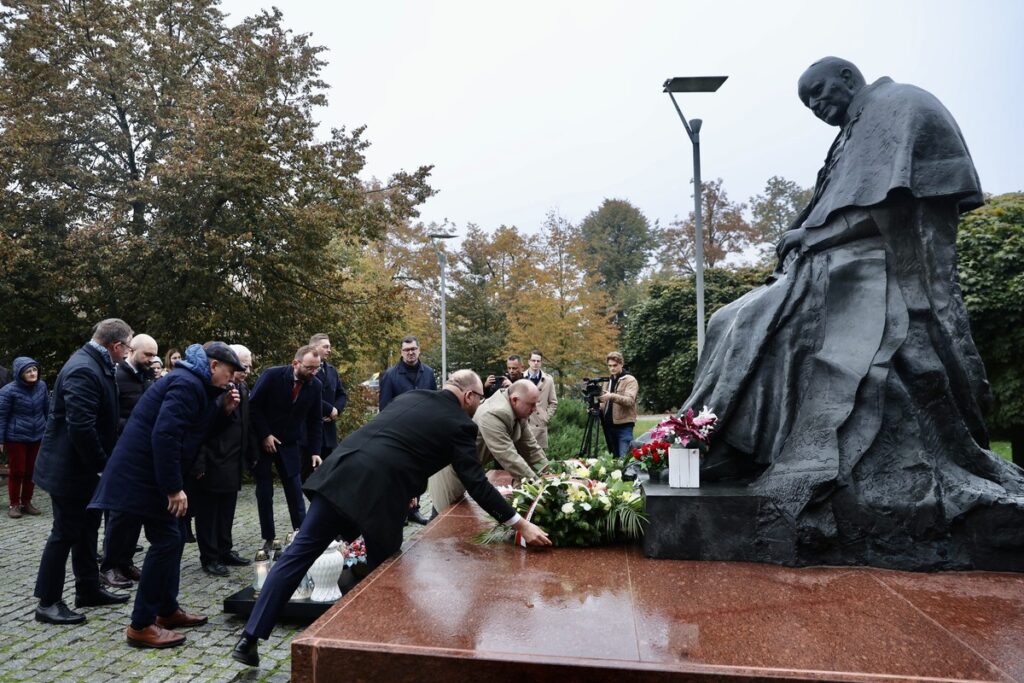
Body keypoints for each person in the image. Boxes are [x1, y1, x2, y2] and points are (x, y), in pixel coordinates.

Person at [680, 57, 1024, 566]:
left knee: (752, 319)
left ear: (847, 77)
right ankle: (720, 438)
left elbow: (892, 208)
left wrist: (813, 236)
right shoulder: (855, 129)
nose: (817, 107)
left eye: (819, 93)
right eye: (807, 103)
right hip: (834, 263)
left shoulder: (897, 105)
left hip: (876, 270)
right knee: (729, 319)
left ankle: (723, 441)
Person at [230, 370, 552, 667]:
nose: (479, 404)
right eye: (480, 398)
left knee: (298, 555)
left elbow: (398, 442)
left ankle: (249, 639)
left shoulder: (411, 397)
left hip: (341, 473)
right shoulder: (461, 425)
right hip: (378, 496)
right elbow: (477, 483)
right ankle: (380, 651)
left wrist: (412, 486)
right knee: (386, 575)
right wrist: (519, 523)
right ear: (469, 397)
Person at [89, 342, 244, 649]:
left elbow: (195, 432)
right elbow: (166, 435)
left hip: (150, 476)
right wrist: (173, 487)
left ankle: (166, 610)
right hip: (143, 476)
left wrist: (224, 412)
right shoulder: (186, 384)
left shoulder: (195, 385)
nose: (232, 379)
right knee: (167, 540)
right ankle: (142, 624)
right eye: (230, 372)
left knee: (170, 538)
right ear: (213, 366)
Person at [32, 318, 133, 626]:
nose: (128, 353)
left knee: (88, 528)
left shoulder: (96, 364)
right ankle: (47, 601)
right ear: (115, 346)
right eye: (128, 347)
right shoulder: (84, 369)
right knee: (64, 533)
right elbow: (81, 427)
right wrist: (103, 466)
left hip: (83, 470)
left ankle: (87, 588)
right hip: (70, 470)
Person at [428, 379, 549, 512]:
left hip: (468, 469)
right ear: (515, 400)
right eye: (531, 404)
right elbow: (508, 456)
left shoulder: (518, 411)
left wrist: (552, 474)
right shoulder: (494, 413)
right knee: (443, 520)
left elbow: (531, 448)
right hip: (451, 473)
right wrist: (539, 485)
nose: (535, 409)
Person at [189, 345, 256, 576]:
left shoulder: (243, 388)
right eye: (243, 365)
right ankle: (210, 557)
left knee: (227, 510)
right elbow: (199, 431)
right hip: (212, 460)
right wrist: (198, 463)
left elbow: (247, 425)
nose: (247, 370)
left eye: (249, 365)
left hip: (234, 461)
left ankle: (225, 549)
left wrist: (250, 455)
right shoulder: (212, 390)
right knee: (208, 513)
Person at [249, 345, 323, 552]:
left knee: (294, 489)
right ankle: (269, 537)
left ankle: (302, 534)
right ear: (295, 363)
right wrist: (265, 434)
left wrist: (315, 451)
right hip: (264, 442)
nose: (313, 372)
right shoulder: (271, 376)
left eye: (317, 368)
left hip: (290, 443)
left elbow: (315, 421)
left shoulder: (315, 385)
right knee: (265, 491)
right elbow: (252, 406)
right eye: (309, 368)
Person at [100, 333, 159, 589]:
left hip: (141, 454)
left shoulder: (146, 376)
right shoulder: (116, 377)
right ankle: (109, 565)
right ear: (131, 351)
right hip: (120, 453)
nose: (151, 359)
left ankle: (125, 561)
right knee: (119, 514)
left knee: (135, 512)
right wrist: (135, 426)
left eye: (154, 355)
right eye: (147, 354)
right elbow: (107, 417)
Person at [377, 335, 437, 525]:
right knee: (399, 471)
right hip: (399, 432)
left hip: (422, 431)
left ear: (419, 350)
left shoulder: (428, 372)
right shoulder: (390, 375)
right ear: (401, 352)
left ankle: (414, 509)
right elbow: (384, 407)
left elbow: (434, 400)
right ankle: (399, 510)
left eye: (413, 349)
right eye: (406, 350)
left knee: (418, 471)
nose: (410, 353)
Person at [0, 357, 48, 518]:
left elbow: (47, 410)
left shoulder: (41, 386)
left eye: (34, 370)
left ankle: (26, 502)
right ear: (20, 373)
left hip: (37, 435)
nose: (33, 373)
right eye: (28, 371)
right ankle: (14, 504)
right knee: (17, 471)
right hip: (16, 437)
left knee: (32, 471)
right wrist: (0, 439)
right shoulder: (8, 391)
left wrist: (49, 432)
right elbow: (2, 416)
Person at [300, 334, 347, 483]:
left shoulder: (332, 371)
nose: (329, 350)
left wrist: (336, 410)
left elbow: (342, 394)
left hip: (328, 432)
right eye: (325, 347)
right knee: (306, 475)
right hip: (308, 433)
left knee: (327, 477)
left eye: (330, 347)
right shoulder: (305, 370)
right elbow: (306, 394)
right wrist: (329, 409)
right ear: (314, 348)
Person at [598, 352, 637, 457]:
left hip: (624, 426)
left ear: (621, 364)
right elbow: (603, 403)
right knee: (613, 459)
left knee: (624, 458)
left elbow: (629, 401)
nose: (612, 368)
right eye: (610, 366)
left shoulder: (630, 380)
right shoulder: (607, 381)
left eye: (615, 365)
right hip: (609, 426)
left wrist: (612, 396)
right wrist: (597, 408)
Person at [525, 349, 558, 449]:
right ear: (529, 361)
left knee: (539, 459)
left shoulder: (548, 380)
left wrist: (545, 417)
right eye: (533, 360)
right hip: (524, 423)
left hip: (540, 424)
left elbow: (553, 402)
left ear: (541, 362)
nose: (535, 363)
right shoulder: (521, 377)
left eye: (538, 361)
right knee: (522, 456)